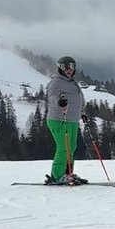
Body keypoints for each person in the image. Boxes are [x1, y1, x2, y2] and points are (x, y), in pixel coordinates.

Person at [45, 55, 89, 185]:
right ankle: (57, 176)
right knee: (64, 147)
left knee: (72, 147)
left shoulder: (72, 82)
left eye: (72, 66)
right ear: (60, 68)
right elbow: (52, 96)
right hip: (59, 119)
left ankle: (68, 173)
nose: (69, 69)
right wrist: (59, 101)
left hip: (72, 120)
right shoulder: (56, 82)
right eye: (66, 66)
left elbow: (77, 100)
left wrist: (82, 113)